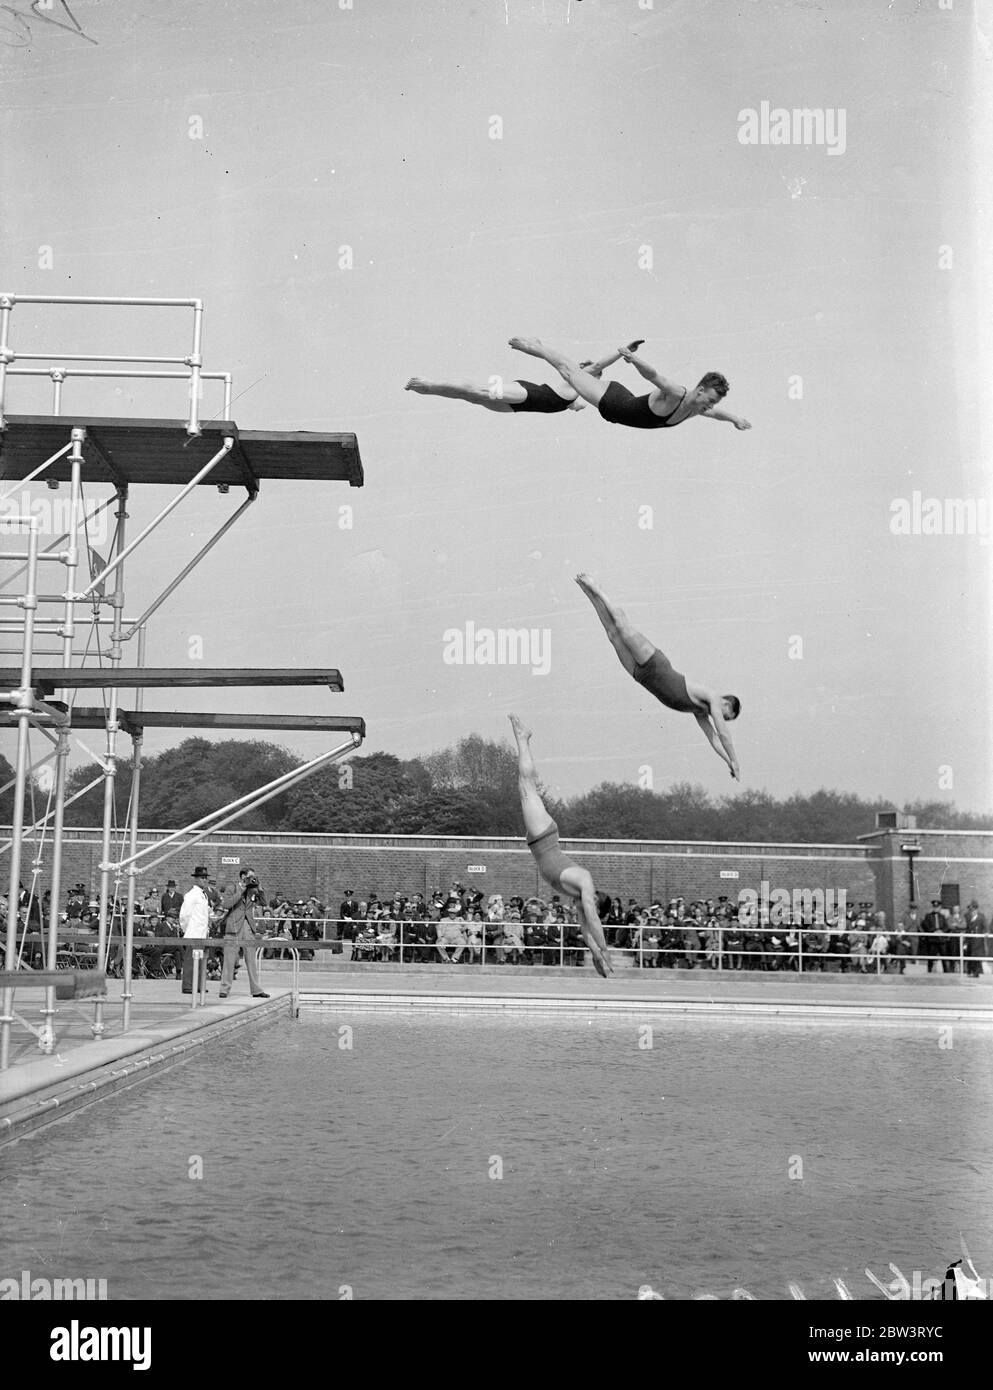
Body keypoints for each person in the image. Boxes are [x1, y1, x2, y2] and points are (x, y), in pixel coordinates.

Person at [575, 572, 741, 778]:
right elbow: (723, 733)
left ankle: (589, 595)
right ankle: (597, 588)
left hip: (642, 677)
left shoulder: (700, 712)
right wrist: (735, 758)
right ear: (727, 704)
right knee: (622, 626)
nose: (724, 719)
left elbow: (714, 739)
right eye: (728, 716)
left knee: (611, 634)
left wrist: (728, 763)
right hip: (655, 664)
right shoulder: (713, 697)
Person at [509, 713, 613, 977]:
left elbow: (586, 930)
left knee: (526, 786)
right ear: (596, 903)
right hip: (544, 835)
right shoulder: (586, 884)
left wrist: (596, 955)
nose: (581, 910)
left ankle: (524, 740)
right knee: (526, 786)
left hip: (539, 842)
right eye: (591, 908)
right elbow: (594, 922)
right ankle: (523, 739)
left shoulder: (579, 897)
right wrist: (606, 951)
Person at [507, 336, 751, 432]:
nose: (709, 406)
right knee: (569, 371)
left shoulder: (697, 407)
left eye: (713, 402)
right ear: (699, 390)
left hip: (624, 402)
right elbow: (655, 376)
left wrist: (735, 419)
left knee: (580, 374)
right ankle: (533, 346)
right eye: (709, 400)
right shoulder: (677, 394)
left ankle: (570, 392)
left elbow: (716, 413)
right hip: (612, 402)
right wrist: (634, 359)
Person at [404, 340, 646, 415]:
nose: (596, 376)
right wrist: (622, 351)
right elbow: (600, 364)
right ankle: (430, 384)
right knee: (479, 391)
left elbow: (577, 405)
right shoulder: (578, 375)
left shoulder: (576, 394)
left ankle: (433, 389)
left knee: (472, 399)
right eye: (594, 371)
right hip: (529, 393)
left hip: (519, 407)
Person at [218, 868, 270, 1000]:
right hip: (234, 925)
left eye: (254, 876)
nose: (252, 879)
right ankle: (224, 988)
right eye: (250, 877)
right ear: (242, 877)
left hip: (248, 926)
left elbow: (264, 903)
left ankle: (256, 989)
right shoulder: (232, 888)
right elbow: (226, 904)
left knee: (251, 960)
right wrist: (242, 889)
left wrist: (260, 888)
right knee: (229, 959)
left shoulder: (253, 890)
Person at [179, 866, 212, 995]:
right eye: (202, 878)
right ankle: (188, 985)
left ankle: (198, 984)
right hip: (193, 932)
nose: (204, 880)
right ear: (196, 879)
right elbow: (185, 915)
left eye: (205, 878)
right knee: (190, 960)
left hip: (202, 932)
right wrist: (187, 929)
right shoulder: (191, 895)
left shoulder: (203, 895)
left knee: (200, 959)